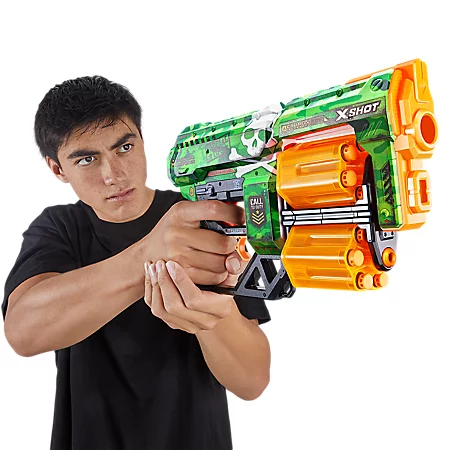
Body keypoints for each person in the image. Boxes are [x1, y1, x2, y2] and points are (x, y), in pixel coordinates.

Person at [2, 76, 271, 450]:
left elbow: (252, 381)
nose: (113, 175)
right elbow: (22, 332)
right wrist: (148, 255)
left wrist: (213, 317)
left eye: (124, 147)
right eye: (86, 159)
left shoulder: (198, 217)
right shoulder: (60, 227)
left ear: (142, 141)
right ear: (58, 169)